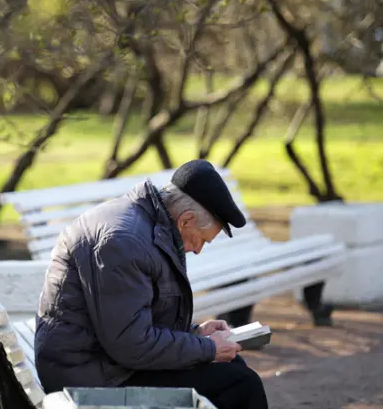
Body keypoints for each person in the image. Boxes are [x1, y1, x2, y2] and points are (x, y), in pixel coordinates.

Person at [34, 159, 269, 409]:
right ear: (186, 220)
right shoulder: (124, 242)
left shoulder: (146, 224)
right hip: (89, 376)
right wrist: (207, 348)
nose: (198, 249)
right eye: (201, 240)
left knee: (231, 366)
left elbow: (131, 321)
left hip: (105, 361)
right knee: (241, 384)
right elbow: (130, 344)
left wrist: (196, 334)